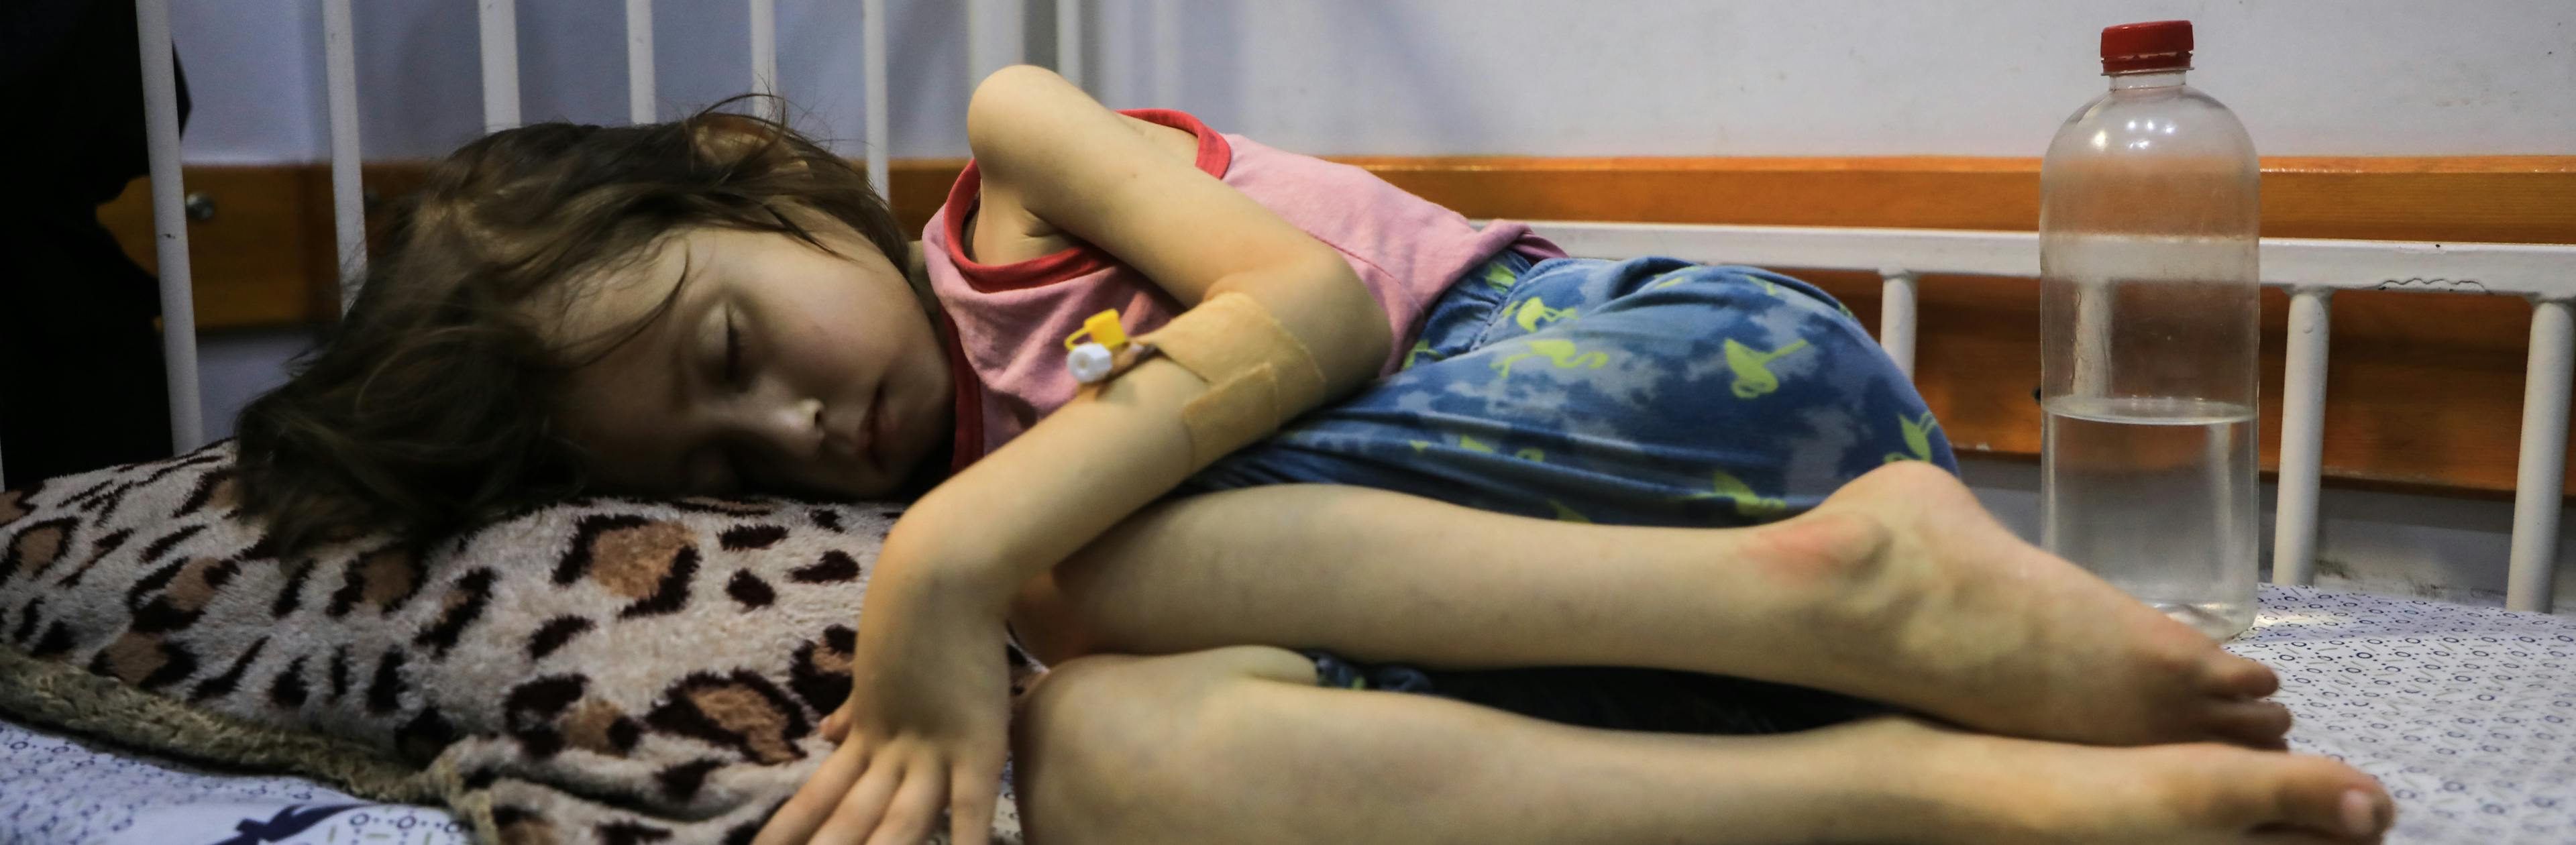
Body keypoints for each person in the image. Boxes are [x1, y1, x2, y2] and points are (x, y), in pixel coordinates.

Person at [236, 66, 2394, 844]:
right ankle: (1931, 785)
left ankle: (1854, 581)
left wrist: (954, 560)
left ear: (746, 167)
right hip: (1588, 615)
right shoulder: (942, 496)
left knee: (1081, 589)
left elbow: (1324, 311)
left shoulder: (1015, 158)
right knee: (1101, 768)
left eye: (735, 340)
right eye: (719, 462)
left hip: (1682, 386)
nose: (792, 427)